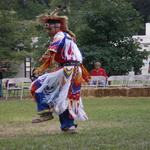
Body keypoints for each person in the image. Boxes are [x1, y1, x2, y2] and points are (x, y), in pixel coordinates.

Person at [30, 6, 90, 133]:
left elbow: (53, 48)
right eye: (46, 28)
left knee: (37, 84)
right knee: (65, 97)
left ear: (57, 27)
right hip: (74, 70)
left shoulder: (60, 35)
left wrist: (44, 58)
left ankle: (46, 112)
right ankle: (69, 126)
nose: (47, 31)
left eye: (49, 28)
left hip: (69, 70)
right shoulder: (67, 36)